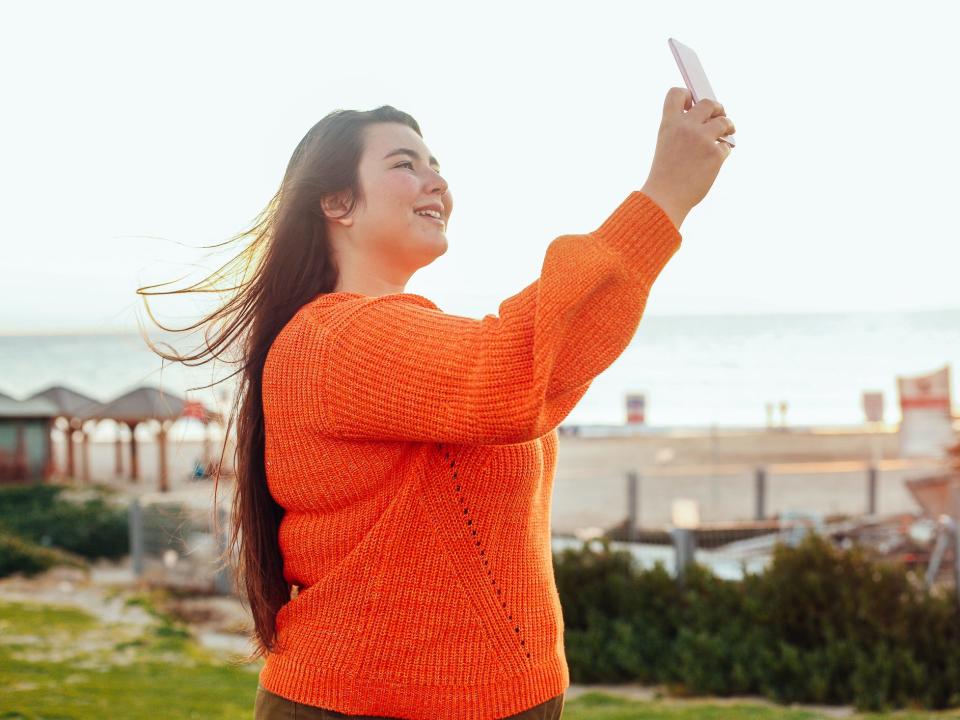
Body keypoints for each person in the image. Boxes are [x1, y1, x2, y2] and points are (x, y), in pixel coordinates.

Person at [140, 87, 734, 719]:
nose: (437, 183)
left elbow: (535, 372)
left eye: (438, 166)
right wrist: (663, 197)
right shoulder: (333, 338)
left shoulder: (397, 338)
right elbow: (517, 371)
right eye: (406, 164)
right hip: (370, 705)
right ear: (337, 201)